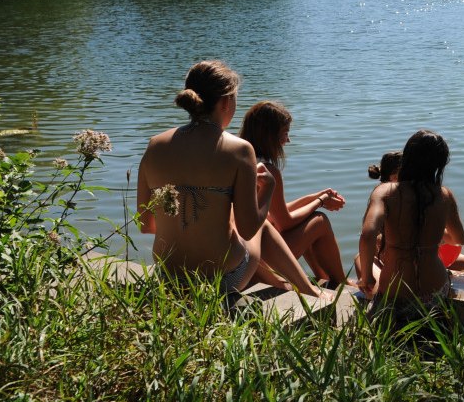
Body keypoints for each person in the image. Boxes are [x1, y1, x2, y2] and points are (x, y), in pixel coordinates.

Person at [136, 60, 330, 301]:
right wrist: (267, 189)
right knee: (263, 225)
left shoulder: (155, 145)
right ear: (226, 101)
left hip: (168, 275)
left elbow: (146, 225)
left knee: (227, 220)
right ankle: (309, 291)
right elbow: (249, 230)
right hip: (222, 279)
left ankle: (292, 286)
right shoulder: (239, 149)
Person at [356, 130, 464, 319]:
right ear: (440, 164)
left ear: (407, 157)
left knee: (360, 260)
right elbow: (458, 239)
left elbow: (367, 234)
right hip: (435, 294)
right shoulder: (444, 195)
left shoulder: (385, 192)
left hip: (395, 294)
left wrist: (367, 277)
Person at [239, 101, 348, 285]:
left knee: (307, 218)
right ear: (269, 136)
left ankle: (323, 278)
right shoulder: (267, 170)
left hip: (243, 255)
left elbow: (274, 213)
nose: (287, 140)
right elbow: (285, 222)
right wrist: (321, 201)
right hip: (261, 260)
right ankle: (341, 282)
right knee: (319, 221)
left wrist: (314, 197)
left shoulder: (243, 160)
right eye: (285, 133)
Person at [354, 150, 464, 281]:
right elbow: (457, 239)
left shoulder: (381, 196)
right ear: (395, 177)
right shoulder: (395, 198)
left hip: (402, 263)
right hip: (400, 262)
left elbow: (367, 236)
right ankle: (447, 275)